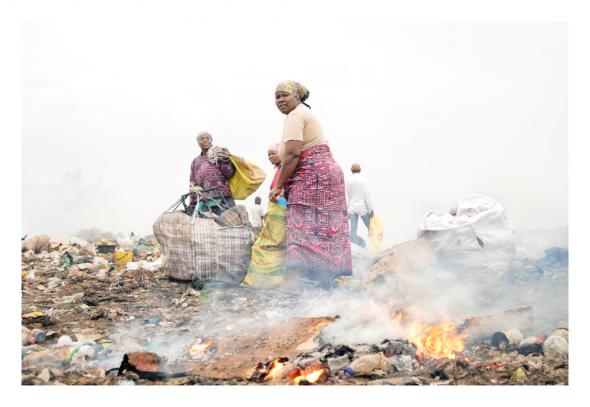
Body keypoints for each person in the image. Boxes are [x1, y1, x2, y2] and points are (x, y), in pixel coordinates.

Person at [269, 80, 352, 290]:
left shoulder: (295, 115)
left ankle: (291, 286)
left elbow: (293, 154)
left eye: (284, 95)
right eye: (276, 96)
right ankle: (325, 285)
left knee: (300, 229)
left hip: (312, 176)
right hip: (327, 174)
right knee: (323, 230)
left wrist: (278, 186)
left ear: (297, 96)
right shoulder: (304, 114)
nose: (280, 100)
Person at [188, 131, 236, 216]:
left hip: (223, 198)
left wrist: (225, 158)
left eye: (207, 138)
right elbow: (192, 184)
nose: (205, 140)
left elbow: (228, 173)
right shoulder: (195, 162)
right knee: (204, 227)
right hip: (204, 202)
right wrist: (192, 205)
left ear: (211, 141)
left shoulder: (219, 154)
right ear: (198, 143)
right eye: (202, 139)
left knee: (228, 225)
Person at [346, 163, 374, 248]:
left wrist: (347, 210)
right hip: (363, 208)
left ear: (351, 170)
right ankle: (374, 247)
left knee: (353, 230)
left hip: (352, 208)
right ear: (360, 170)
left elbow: (346, 196)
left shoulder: (348, 181)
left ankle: (359, 246)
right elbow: (367, 196)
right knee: (371, 227)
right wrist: (371, 209)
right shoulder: (364, 180)